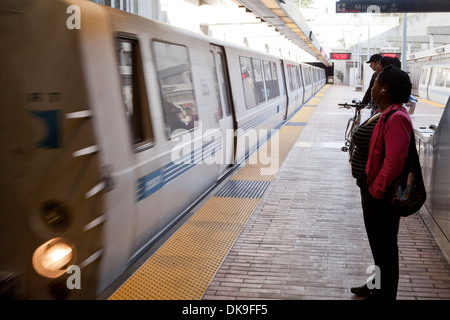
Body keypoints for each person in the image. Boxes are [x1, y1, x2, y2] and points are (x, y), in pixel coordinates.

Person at [351, 65, 413, 300]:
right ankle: (375, 284)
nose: (373, 87)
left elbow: (395, 160)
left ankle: (384, 295)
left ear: (384, 90)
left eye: (375, 83)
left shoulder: (396, 117)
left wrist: (376, 189)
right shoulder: (385, 111)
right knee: (379, 246)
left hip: (381, 195)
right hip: (372, 191)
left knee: (385, 247)